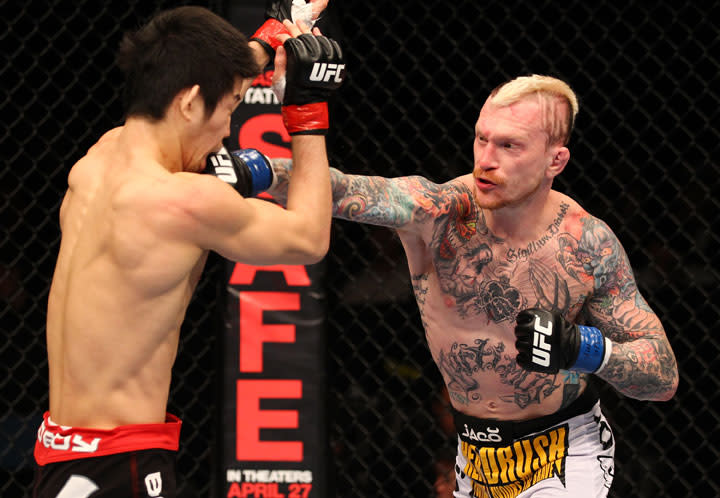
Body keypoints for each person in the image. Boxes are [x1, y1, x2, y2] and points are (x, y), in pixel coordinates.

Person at [267, 74, 678, 496]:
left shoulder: (586, 244)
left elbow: (662, 375)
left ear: (556, 161)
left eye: (509, 146)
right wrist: (253, 171)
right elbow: (342, 188)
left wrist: (582, 349)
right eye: (482, 139)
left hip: (564, 451)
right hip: (472, 455)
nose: (485, 159)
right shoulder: (439, 213)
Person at [32, 5, 343, 497]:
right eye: (231, 106)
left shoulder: (98, 159)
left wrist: (274, 32)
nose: (228, 128)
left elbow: (198, 70)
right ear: (190, 103)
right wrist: (306, 114)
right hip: (119, 465)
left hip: (62, 456)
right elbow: (309, 238)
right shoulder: (182, 201)